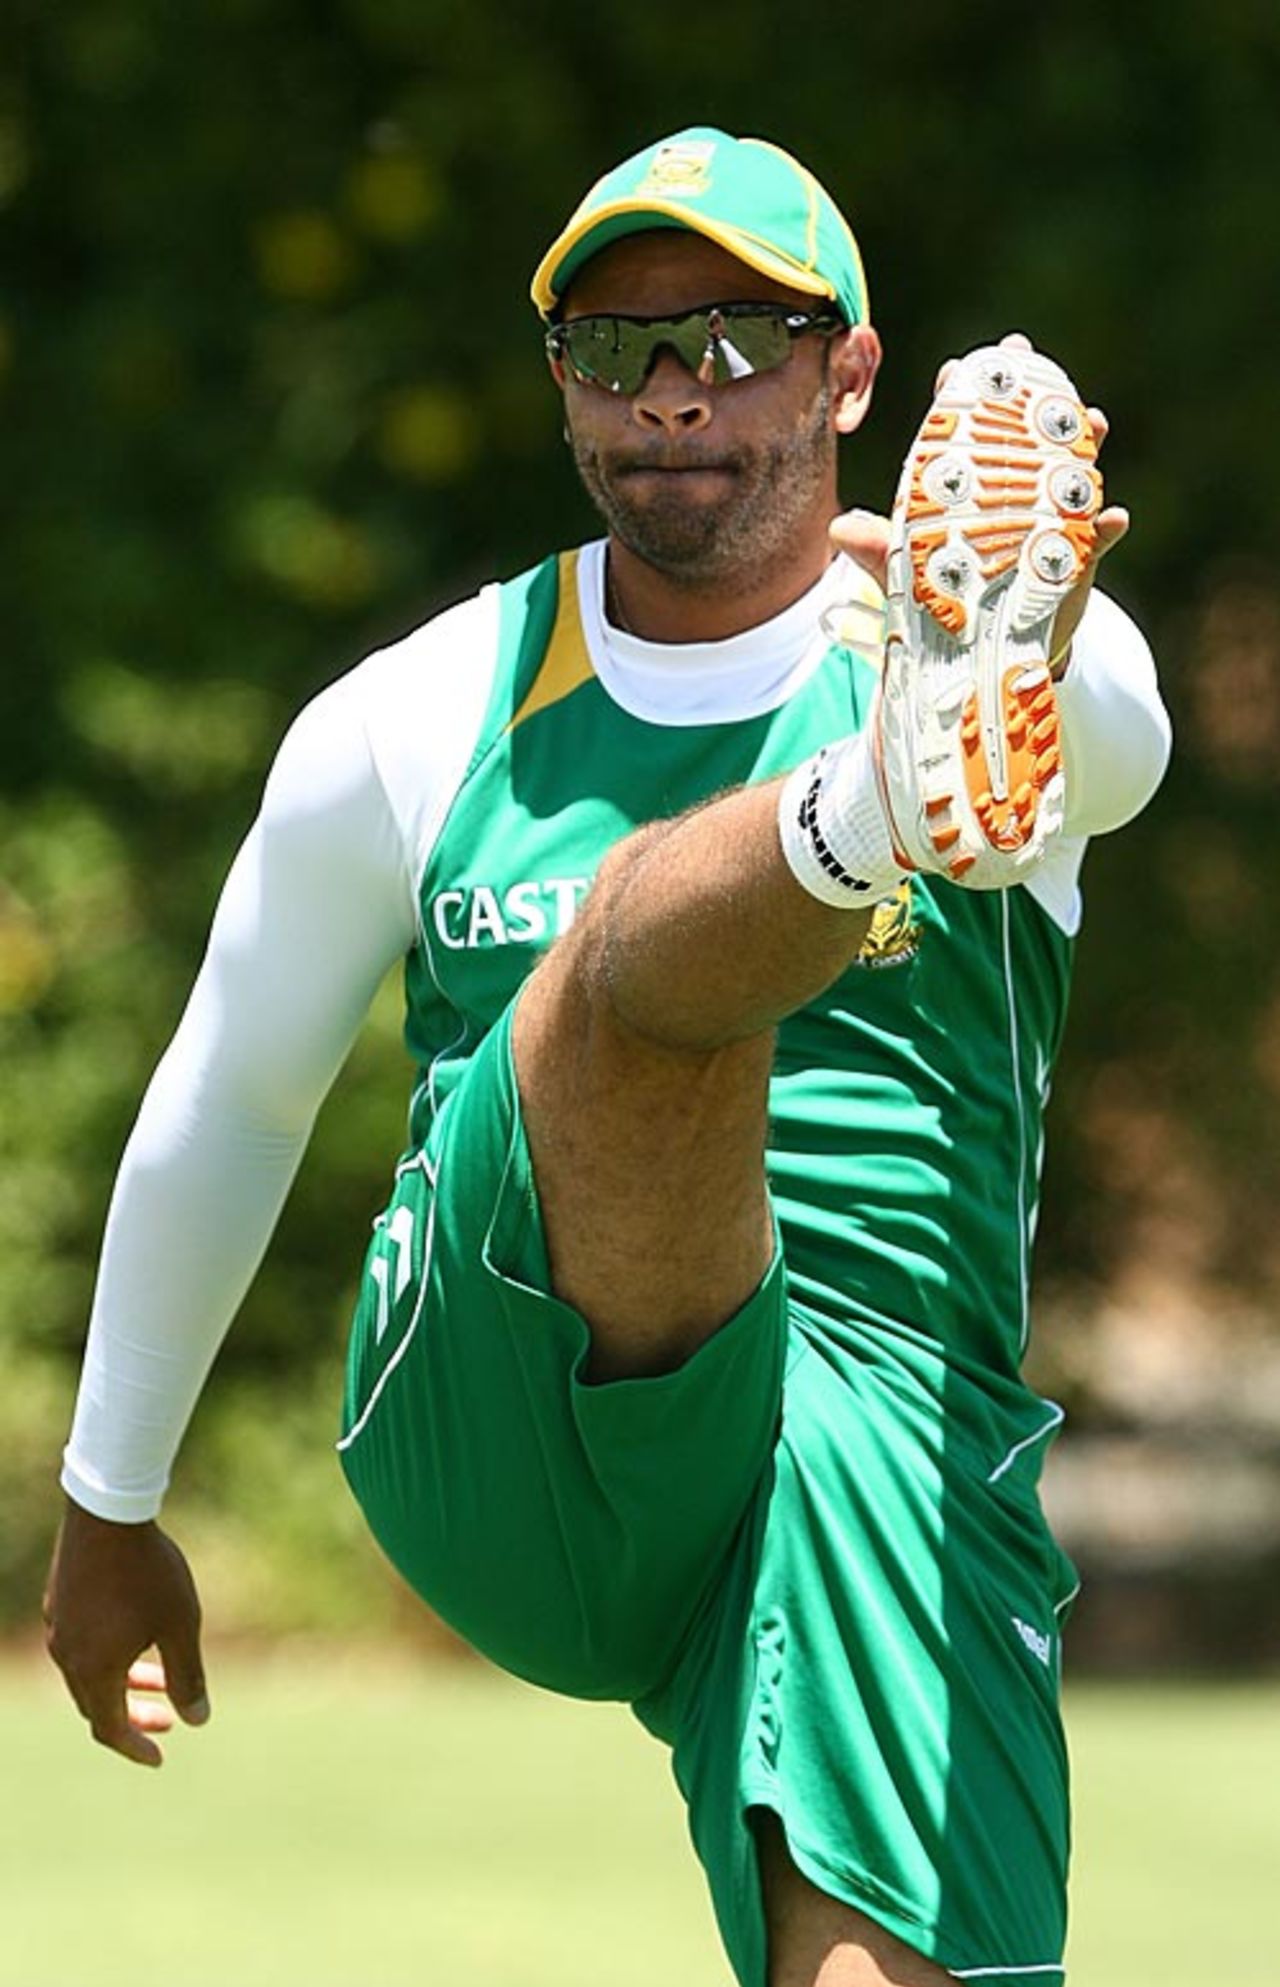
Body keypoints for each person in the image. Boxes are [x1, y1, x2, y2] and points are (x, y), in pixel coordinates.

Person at [45, 128, 1171, 1987]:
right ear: (561, 386)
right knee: (626, 983)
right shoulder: (418, 716)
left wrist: (1010, 678)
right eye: (616, 349)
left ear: (850, 374)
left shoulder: (1017, 663)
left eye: (735, 339)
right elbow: (230, 1101)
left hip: (863, 1438)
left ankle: (899, 797)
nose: (673, 395)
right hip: (506, 1406)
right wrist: (109, 1502)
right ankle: (868, 803)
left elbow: (1107, 740)